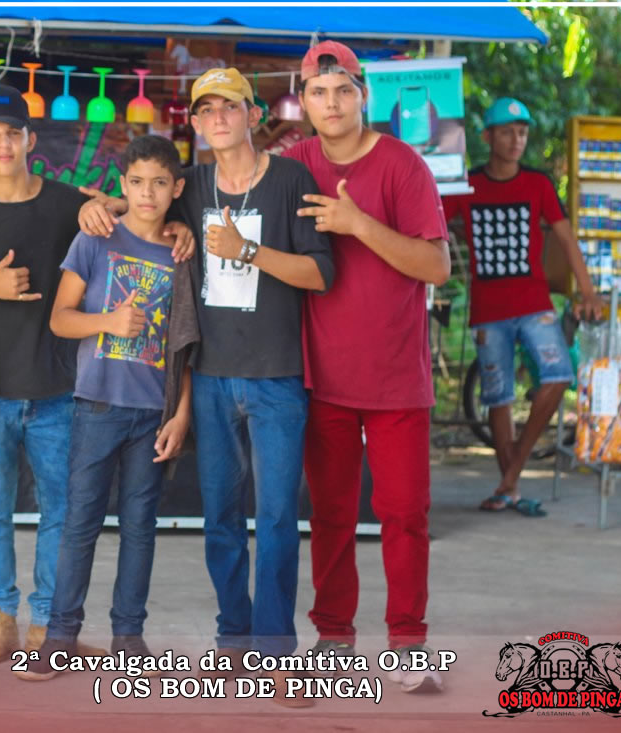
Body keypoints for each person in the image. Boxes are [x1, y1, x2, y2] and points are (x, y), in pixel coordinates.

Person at [79, 67, 333, 705]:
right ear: (193, 122)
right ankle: (233, 639)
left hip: (277, 376)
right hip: (211, 376)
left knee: (276, 518)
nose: (218, 117)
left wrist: (246, 251)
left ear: (253, 114)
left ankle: (275, 651)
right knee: (220, 517)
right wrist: (101, 207)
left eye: (230, 106)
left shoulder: (291, 180)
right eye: (206, 109)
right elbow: (141, 204)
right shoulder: (189, 184)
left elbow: (320, 274)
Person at [284, 40, 450, 693]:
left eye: (342, 91)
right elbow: (225, 200)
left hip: (396, 377)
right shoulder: (293, 165)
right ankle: (334, 637)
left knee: (405, 514)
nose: (331, 103)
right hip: (321, 376)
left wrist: (358, 223)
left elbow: (436, 265)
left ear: (363, 95)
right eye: (318, 92)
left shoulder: (403, 166)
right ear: (303, 100)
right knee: (330, 516)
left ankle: (409, 642)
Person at [16, 135, 192, 681]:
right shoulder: (95, 240)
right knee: (80, 523)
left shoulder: (182, 254)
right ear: (122, 186)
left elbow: (188, 345)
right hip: (97, 407)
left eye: (159, 183)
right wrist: (109, 322)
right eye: (137, 182)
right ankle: (60, 636)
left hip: (154, 413)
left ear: (177, 189)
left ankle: (128, 638)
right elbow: (60, 318)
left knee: (140, 526)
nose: (147, 193)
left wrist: (181, 413)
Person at [0, 84, 113, 662]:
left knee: (62, 514)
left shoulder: (69, 204)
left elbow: (135, 211)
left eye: (12, 133)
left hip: (59, 390)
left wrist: (112, 205)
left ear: (30, 139)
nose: (3, 144)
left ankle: (47, 623)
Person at [442, 97, 604, 517]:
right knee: (498, 396)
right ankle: (510, 488)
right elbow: (432, 223)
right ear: (487, 137)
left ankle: (510, 475)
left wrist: (588, 292)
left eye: (522, 132)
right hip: (488, 310)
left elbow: (566, 239)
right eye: (507, 132)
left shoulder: (538, 183)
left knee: (558, 375)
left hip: (535, 304)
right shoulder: (467, 184)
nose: (517, 140)